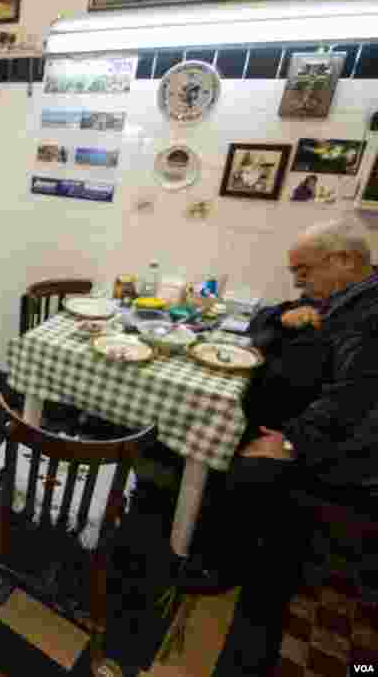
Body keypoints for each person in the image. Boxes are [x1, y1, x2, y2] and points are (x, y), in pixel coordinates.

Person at [190, 219, 378, 672]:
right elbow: (263, 317)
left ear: (343, 260)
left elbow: (354, 398)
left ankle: (231, 567)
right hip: (298, 417)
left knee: (248, 467)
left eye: (304, 271)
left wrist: (293, 441)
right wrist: (279, 317)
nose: (298, 282)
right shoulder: (334, 298)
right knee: (225, 431)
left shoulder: (368, 317)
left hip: (340, 449)